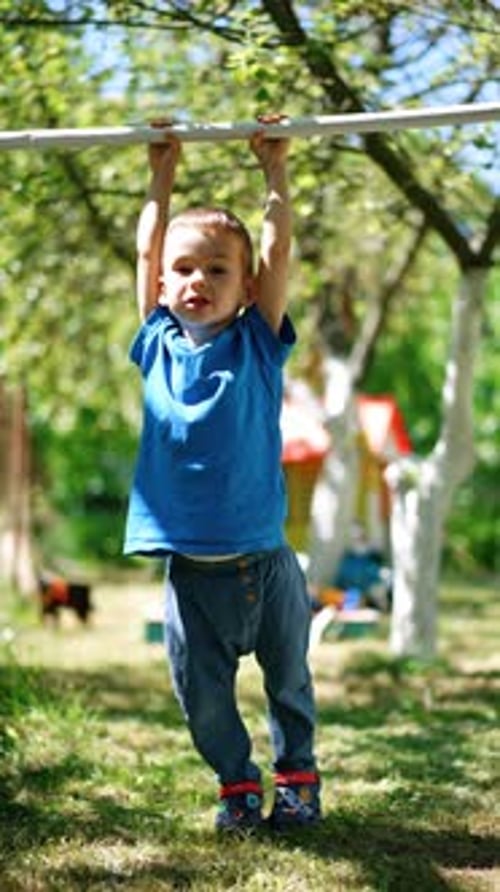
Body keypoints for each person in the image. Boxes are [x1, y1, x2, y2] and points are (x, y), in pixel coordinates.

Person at [124, 119, 321, 834]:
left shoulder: (257, 344)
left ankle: (298, 780)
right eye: (183, 269)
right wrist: (161, 175)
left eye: (215, 270)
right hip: (189, 573)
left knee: (288, 680)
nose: (194, 280)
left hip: (265, 565)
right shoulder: (156, 341)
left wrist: (276, 175)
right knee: (201, 697)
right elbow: (148, 247)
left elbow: (277, 249)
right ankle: (237, 785)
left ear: (246, 288)